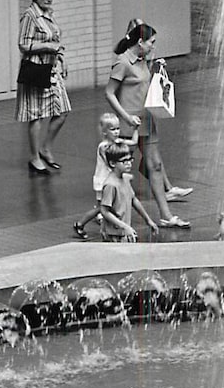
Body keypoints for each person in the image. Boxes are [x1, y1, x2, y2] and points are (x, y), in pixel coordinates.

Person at [104, 22, 190, 228]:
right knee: (119, 168)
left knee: (156, 165)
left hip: (146, 120)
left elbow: (143, 85)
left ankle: (166, 215)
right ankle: (105, 209)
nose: (153, 46)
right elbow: (109, 93)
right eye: (151, 42)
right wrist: (125, 117)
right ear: (140, 42)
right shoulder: (122, 63)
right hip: (130, 124)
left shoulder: (143, 60)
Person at [15, 0, 71, 175]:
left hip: (52, 68)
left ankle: (46, 148)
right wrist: (47, 47)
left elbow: (57, 39)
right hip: (36, 69)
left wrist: (61, 57)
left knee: (62, 111)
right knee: (36, 115)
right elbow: (23, 44)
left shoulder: (49, 14)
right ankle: (34, 157)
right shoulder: (30, 16)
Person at [73, 112, 121, 240]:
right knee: (102, 208)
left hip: (108, 180)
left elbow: (131, 142)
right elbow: (109, 163)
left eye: (118, 129)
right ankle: (80, 224)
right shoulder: (104, 146)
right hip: (103, 181)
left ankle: (106, 227)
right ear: (105, 132)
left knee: (106, 206)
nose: (116, 132)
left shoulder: (114, 143)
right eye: (113, 129)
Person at [98, 141, 159, 242]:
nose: (129, 163)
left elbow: (133, 200)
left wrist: (148, 220)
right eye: (124, 161)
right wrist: (124, 226)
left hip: (124, 231)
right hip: (114, 234)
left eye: (130, 159)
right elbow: (104, 211)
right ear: (113, 163)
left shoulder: (125, 179)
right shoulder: (110, 185)